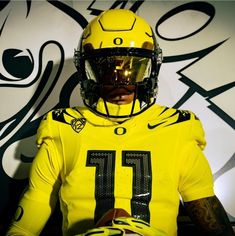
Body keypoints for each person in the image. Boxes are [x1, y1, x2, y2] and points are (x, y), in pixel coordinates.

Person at [6, 9, 234, 236]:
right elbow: (33, 209)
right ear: (88, 70)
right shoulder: (63, 128)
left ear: (151, 68)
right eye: (106, 70)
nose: (120, 83)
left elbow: (206, 208)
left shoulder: (176, 129)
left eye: (132, 69)